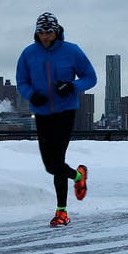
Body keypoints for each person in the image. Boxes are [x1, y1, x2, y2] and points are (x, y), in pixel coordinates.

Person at [16, 12, 97, 227]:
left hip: (65, 111)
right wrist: (31, 95)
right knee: (50, 165)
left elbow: (91, 77)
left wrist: (72, 86)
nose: (45, 36)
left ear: (56, 31)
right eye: (41, 32)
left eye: (49, 32)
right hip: (42, 113)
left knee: (57, 160)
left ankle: (61, 212)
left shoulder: (72, 51)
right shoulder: (28, 54)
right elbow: (22, 82)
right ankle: (79, 178)